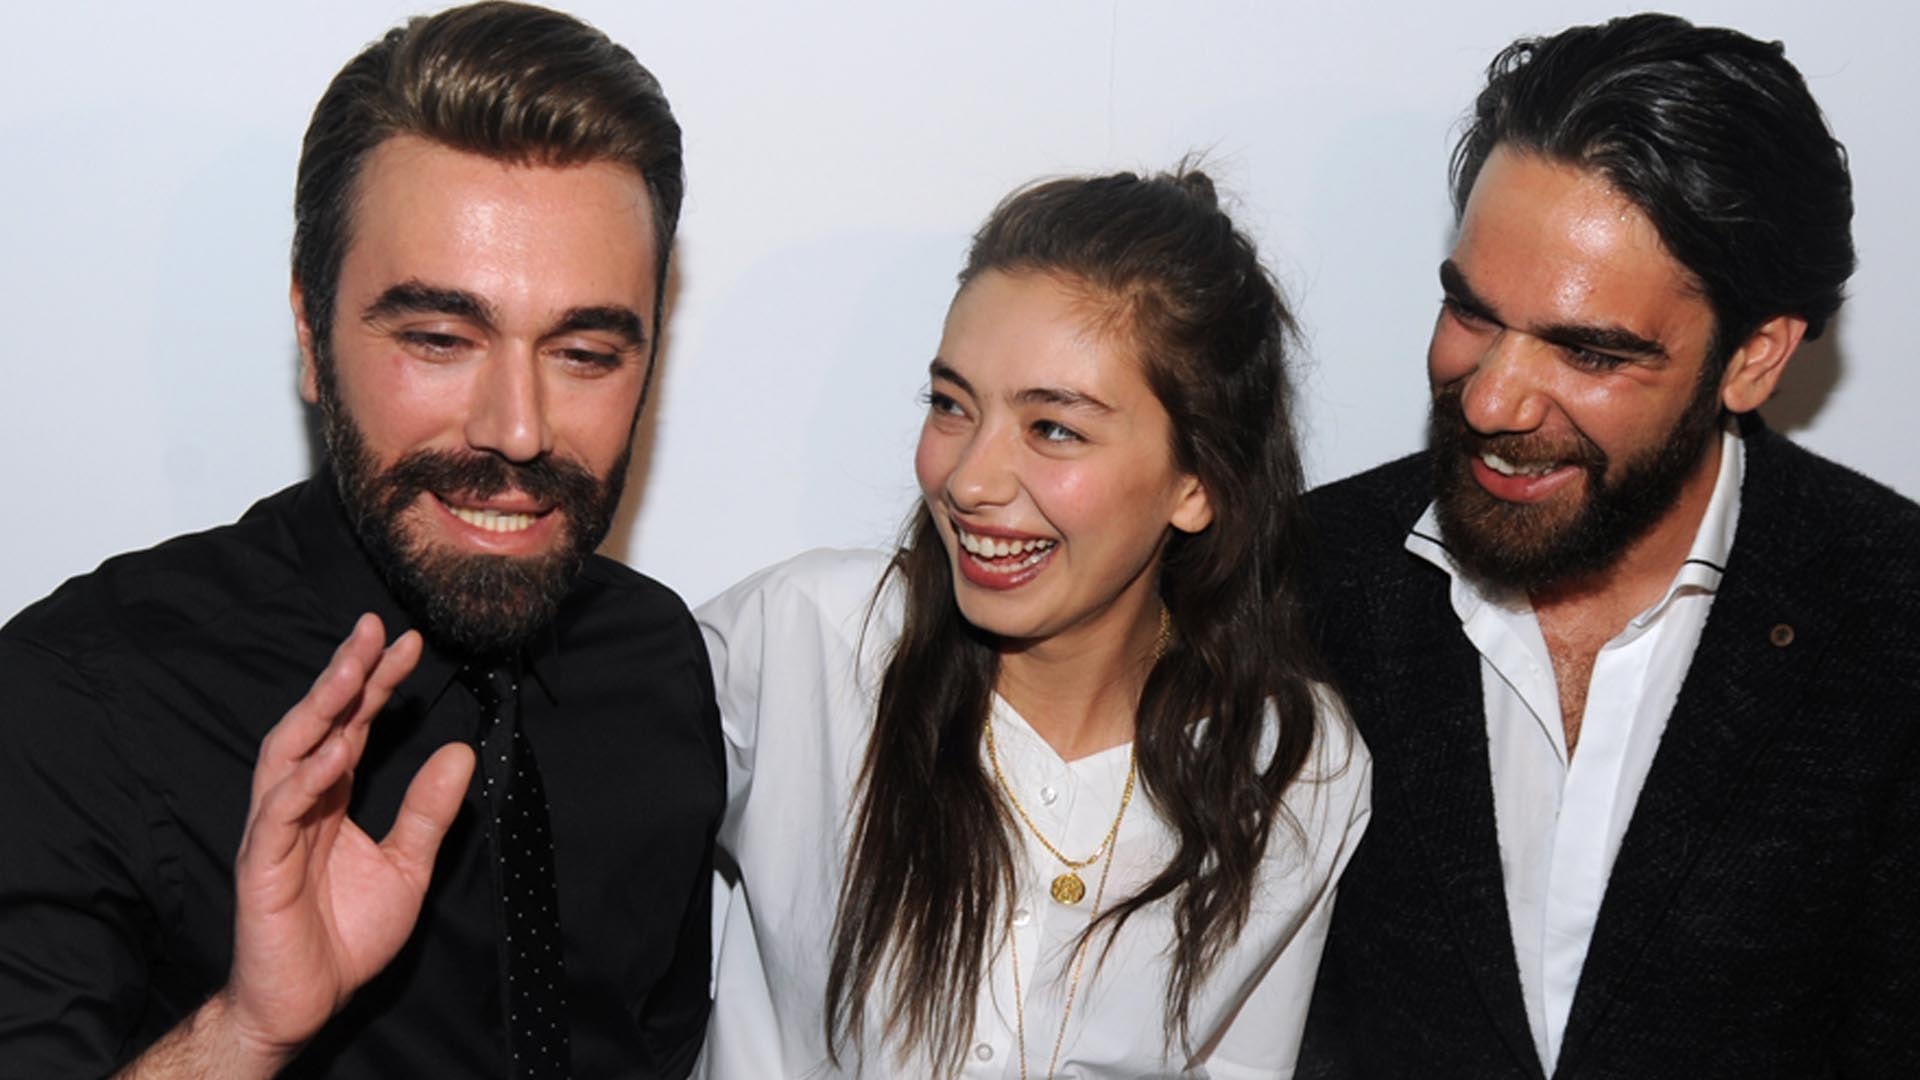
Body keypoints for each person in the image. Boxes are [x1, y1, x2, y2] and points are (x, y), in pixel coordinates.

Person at [0, 4, 722, 1076]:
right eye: (439, 338)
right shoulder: (78, 699)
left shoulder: (656, 659)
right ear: (311, 332)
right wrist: (246, 1031)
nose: (518, 429)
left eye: (583, 353)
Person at [1298, 14, 1919, 1079]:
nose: (1492, 400)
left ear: (1753, 359)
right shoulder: (1298, 580)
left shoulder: (1894, 621)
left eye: (1587, 351)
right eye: (1471, 313)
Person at [696, 168, 1371, 1079]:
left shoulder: (1292, 764)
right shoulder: (804, 640)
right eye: (951, 405)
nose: (970, 479)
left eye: (1053, 429)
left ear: (1198, 482)